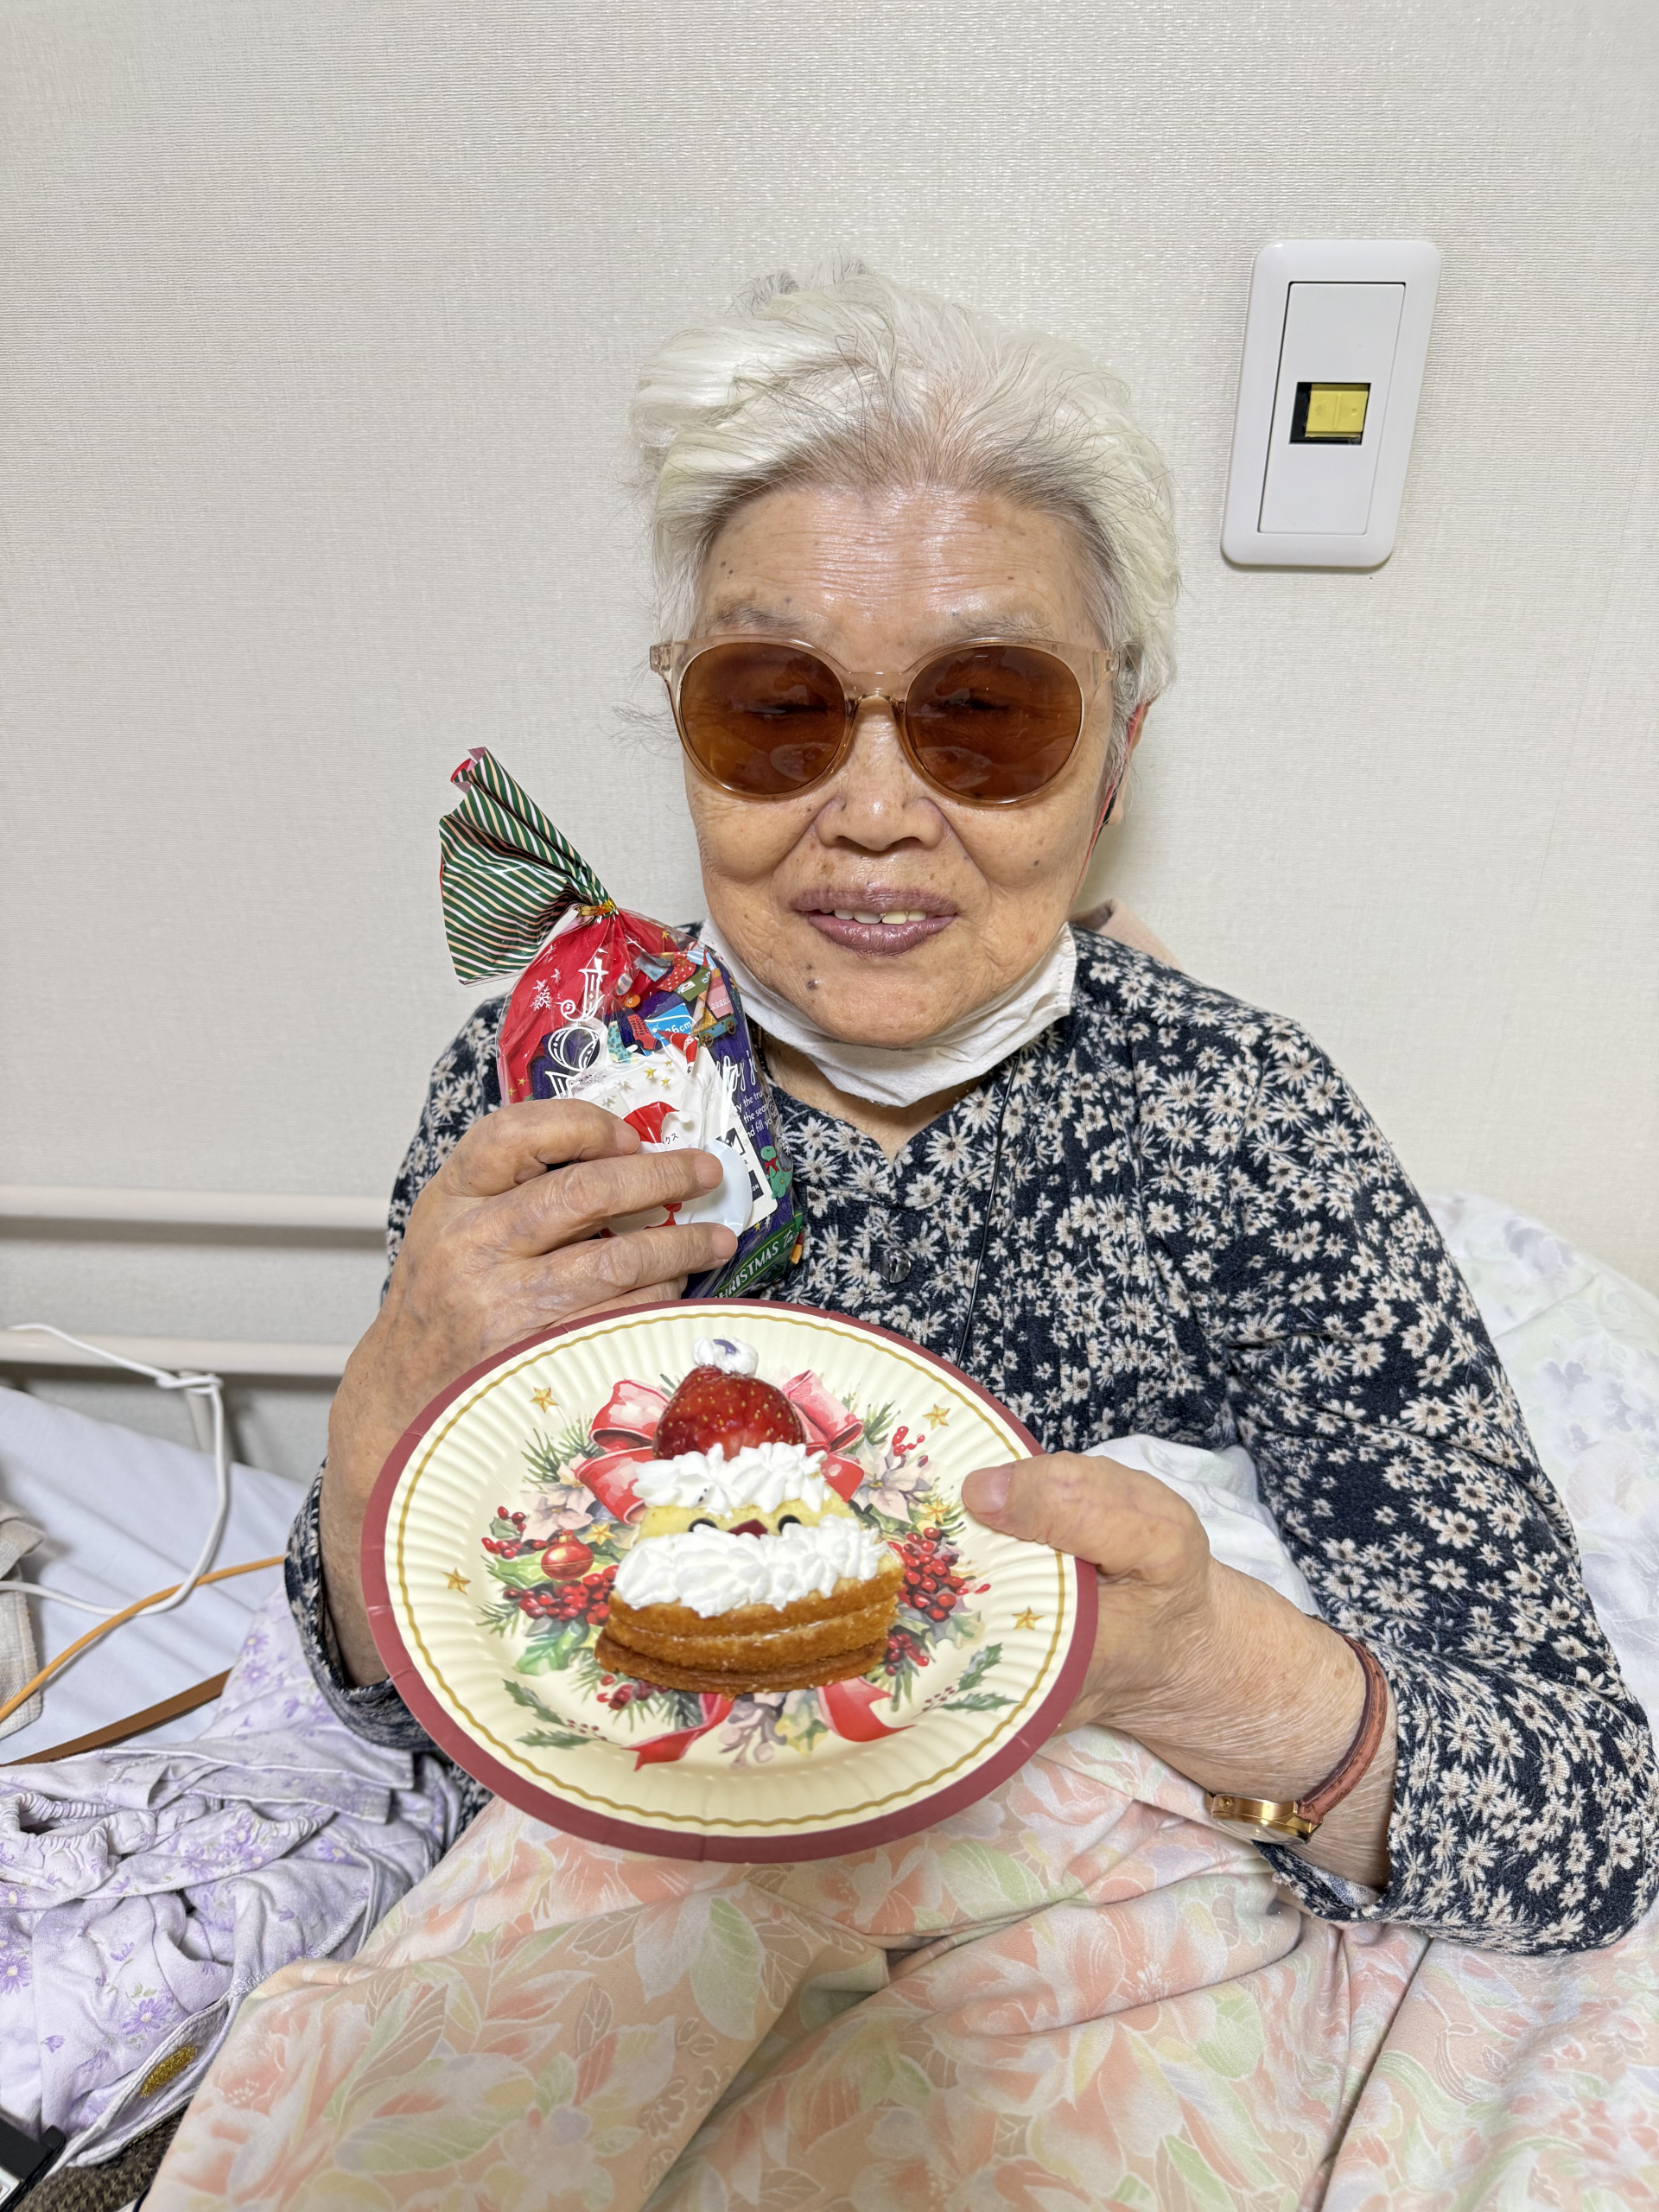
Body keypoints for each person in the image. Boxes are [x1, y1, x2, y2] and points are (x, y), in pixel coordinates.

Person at [291, 266, 1656, 1959]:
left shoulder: (1241, 1123)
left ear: (1117, 758)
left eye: (988, 716)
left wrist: (1196, 1669)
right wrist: (381, 1430)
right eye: (776, 709)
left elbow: (1581, 1823)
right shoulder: (552, 1078)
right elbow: (394, 1708)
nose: (873, 812)